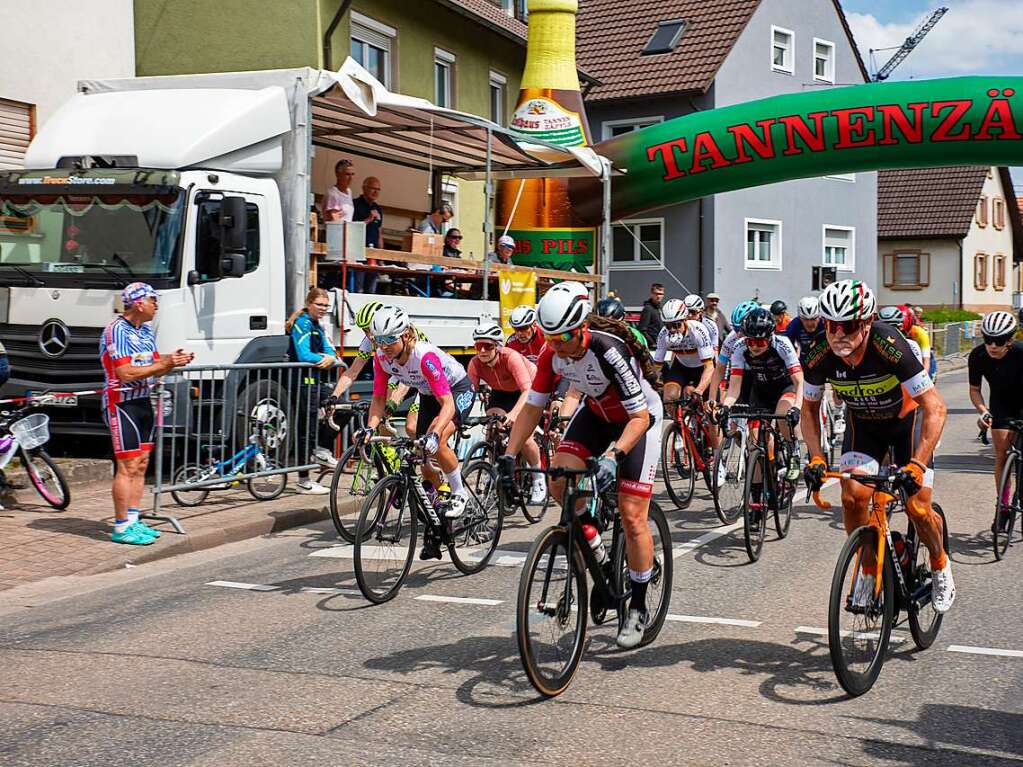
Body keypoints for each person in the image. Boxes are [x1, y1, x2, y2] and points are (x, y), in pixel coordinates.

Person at [498, 282, 663, 649]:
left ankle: (636, 606)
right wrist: (509, 456)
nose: (555, 346)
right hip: (598, 413)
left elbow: (638, 417)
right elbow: (532, 408)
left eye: (563, 338)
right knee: (560, 481)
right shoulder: (550, 354)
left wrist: (612, 457)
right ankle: (600, 556)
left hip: (640, 419)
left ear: (581, 329)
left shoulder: (607, 350)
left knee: (632, 513)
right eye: (548, 337)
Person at [802, 279, 954, 613]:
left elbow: (935, 407)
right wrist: (815, 455)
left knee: (917, 508)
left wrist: (916, 464)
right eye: (832, 325)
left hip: (905, 425)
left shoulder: (890, 345)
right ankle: (869, 569)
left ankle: (940, 562)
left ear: (868, 322)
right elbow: (809, 410)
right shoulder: (817, 353)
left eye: (849, 326)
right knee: (852, 497)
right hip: (865, 428)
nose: (839, 333)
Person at [363, 306, 475, 557]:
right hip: (428, 395)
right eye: (379, 340)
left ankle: (460, 492)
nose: (384, 346)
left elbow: (447, 404)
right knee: (423, 459)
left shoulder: (423, 357)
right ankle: (439, 519)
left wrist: (435, 434)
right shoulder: (381, 358)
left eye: (390, 339)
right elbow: (379, 398)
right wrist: (369, 429)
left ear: (405, 335)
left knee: (439, 439)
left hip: (456, 391)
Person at [100, 282, 193, 545]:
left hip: (143, 400)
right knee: (127, 466)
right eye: (154, 301)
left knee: (141, 464)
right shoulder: (116, 330)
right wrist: (163, 364)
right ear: (139, 303)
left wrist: (172, 360)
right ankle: (120, 527)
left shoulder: (146, 330)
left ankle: (133, 520)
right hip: (122, 403)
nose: (157, 305)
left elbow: (152, 364)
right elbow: (125, 372)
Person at [717, 308, 803, 482]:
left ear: (770, 338)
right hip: (761, 391)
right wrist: (726, 406)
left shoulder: (782, 344)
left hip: (785, 388)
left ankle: (793, 453)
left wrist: (796, 408)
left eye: (761, 342)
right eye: (751, 341)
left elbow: (799, 382)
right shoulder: (739, 348)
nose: (755, 346)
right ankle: (756, 495)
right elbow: (734, 387)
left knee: (781, 416)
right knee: (753, 442)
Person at [468, 321, 546, 504]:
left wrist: (513, 415)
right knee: (492, 428)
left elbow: (527, 391)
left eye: (487, 346)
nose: (482, 351)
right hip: (501, 392)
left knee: (523, 435)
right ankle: (494, 471)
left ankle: (538, 479)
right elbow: (468, 394)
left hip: (527, 389)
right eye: (478, 346)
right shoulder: (475, 363)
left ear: (497, 346)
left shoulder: (511, 357)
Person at [968, 311, 1023, 531]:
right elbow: (974, 390)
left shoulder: (1021, 353)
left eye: (998, 341)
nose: (992, 345)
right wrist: (983, 411)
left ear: (1010, 339)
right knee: (1001, 454)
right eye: (987, 339)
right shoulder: (978, 356)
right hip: (1001, 405)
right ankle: (1003, 506)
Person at [287, 287, 343, 494]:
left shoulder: (318, 325)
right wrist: (324, 359)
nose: (323, 309)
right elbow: (304, 354)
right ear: (309, 303)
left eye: (326, 306)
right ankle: (303, 481)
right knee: (306, 429)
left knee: (342, 406)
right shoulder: (301, 323)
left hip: (315, 382)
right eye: (319, 304)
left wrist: (329, 358)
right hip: (302, 383)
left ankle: (321, 449)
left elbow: (331, 351)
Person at [352, 176, 383, 294]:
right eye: (372, 188)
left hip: (373, 255)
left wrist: (381, 255)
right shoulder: (355, 204)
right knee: (358, 289)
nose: (375, 192)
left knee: (371, 291)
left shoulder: (378, 209)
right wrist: (369, 219)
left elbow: (379, 232)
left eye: (378, 189)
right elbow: (352, 227)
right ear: (364, 188)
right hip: (358, 253)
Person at [784, 297, 826, 364]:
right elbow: (785, 344)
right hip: (805, 362)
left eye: (813, 319)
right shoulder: (794, 324)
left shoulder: (826, 323)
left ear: (819, 316)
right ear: (800, 317)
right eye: (805, 319)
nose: (809, 323)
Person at [323, 159, 355, 223]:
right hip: (337, 231)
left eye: (353, 174)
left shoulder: (349, 191)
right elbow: (335, 221)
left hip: (347, 231)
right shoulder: (333, 194)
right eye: (347, 174)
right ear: (338, 175)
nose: (351, 178)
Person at [637, 283, 665, 348]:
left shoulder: (660, 309)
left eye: (661, 294)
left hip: (662, 346)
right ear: (652, 294)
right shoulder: (648, 309)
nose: (659, 296)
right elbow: (642, 329)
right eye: (656, 294)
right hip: (652, 348)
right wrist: (653, 343)